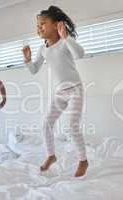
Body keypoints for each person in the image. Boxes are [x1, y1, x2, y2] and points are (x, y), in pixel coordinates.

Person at [22, 6, 88, 177]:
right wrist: (28, 60)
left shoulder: (64, 42)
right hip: (60, 92)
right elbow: (34, 70)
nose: (39, 28)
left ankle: (83, 160)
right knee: (46, 124)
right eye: (37, 26)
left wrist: (66, 38)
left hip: (75, 90)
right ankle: (51, 156)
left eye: (43, 24)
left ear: (56, 25)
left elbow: (80, 54)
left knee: (72, 126)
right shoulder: (43, 48)